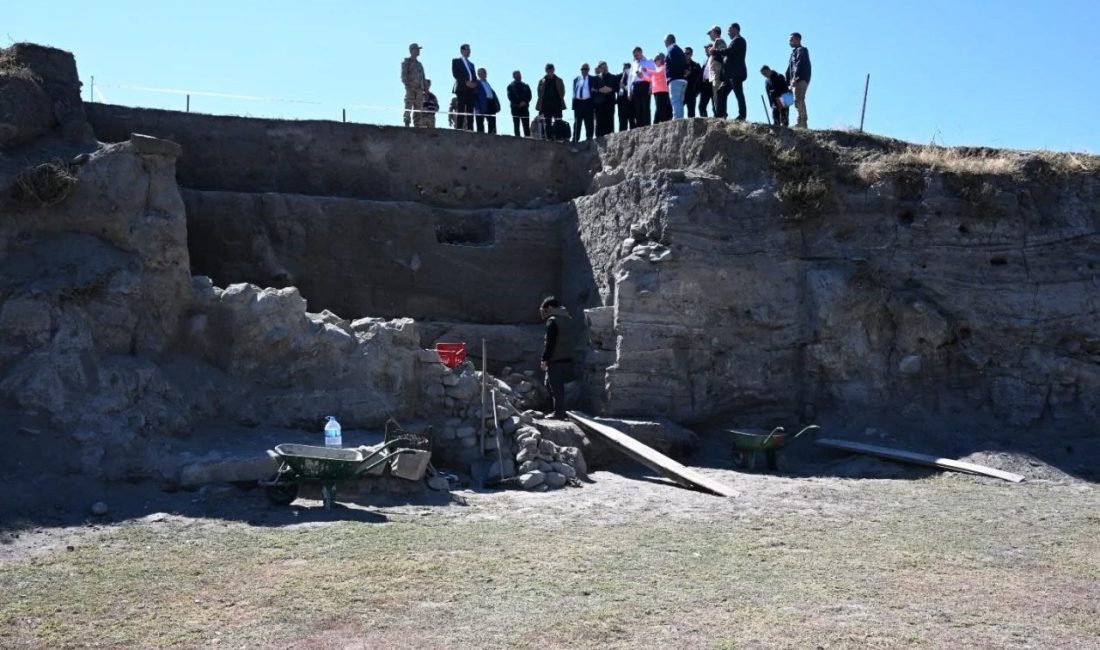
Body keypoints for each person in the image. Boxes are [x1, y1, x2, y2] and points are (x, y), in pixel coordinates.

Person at [539, 296, 578, 419]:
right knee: (565, 387)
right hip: (569, 358)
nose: (543, 312)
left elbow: (550, 343)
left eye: (545, 309)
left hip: (555, 360)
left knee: (556, 388)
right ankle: (566, 410)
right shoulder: (569, 319)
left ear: (550, 308)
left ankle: (559, 412)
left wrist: (544, 359)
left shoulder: (552, 321)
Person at [722, 23, 748, 121]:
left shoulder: (739, 40)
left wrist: (716, 51)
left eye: (729, 30)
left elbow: (729, 51)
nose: (728, 33)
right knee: (722, 93)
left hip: (736, 73)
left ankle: (742, 115)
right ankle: (722, 114)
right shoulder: (735, 40)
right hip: (731, 74)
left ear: (735, 29)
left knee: (739, 94)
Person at [786, 32, 812, 128]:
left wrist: (795, 78)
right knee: (797, 100)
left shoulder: (801, 50)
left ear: (797, 39)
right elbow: (789, 70)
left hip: (800, 79)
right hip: (796, 80)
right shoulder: (793, 53)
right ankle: (801, 122)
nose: (789, 42)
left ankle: (802, 123)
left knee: (799, 99)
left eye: (791, 40)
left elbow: (799, 64)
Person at [451, 44, 478, 130]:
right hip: (462, 88)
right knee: (461, 108)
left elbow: (474, 76)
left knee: (470, 110)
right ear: (462, 51)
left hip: (471, 90)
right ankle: (459, 128)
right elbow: (456, 74)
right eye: (467, 49)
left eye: (469, 49)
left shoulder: (471, 64)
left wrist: (474, 83)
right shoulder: (456, 61)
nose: (469, 51)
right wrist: (466, 82)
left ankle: (471, 129)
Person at [536, 63, 567, 135]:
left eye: (551, 69)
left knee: (558, 122)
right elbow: (539, 93)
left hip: (557, 105)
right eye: (548, 69)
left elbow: (563, 92)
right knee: (547, 123)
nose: (549, 70)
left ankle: (558, 138)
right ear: (546, 70)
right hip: (545, 106)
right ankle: (549, 139)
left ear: (553, 70)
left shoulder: (559, 80)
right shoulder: (542, 81)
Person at [629, 47, 656, 127]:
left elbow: (653, 75)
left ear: (641, 52)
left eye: (636, 54)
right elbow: (630, 78)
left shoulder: (649, 61)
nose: (635, 56)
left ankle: (647, 125)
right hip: (635, 86)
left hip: (645, 84)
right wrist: (629, 91)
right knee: (637, 107)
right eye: (634, 55)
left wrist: (651, 87)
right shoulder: (633, 63)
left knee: (645, 106)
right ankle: (639, 126)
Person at [401, 43, 426, 127]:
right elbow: (403, 76)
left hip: (419, 89)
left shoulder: (420, 65)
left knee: (418, 108)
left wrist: (425, 89)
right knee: (408, 105)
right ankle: (407, 122)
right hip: (411, 88)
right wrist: (408, 86)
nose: (418, 51)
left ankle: (417, 125)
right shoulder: (407, 62)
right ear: (412, 50)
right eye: (417, 49)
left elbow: (423, 77)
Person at [663, 34, 688, 120]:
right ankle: (679, 118)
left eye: (664, 41)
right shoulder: (679, 50)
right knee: (679, 100)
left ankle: (677, 118)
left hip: (675, 79)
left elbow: (675, 65)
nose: (664, 43)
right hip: (682, 79)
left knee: (675, 100)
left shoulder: (671, 50)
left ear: (668, 41)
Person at [592, 61, 617, 137]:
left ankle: (610, 136)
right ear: (599, 68)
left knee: (609, 120)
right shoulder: (596, 78)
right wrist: (600, 90)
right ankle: (599, 137)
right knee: (599, 121)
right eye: (602, 67)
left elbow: (616, 87)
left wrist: (610, 89)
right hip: (599, 103)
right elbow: (593, 89)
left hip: (610, 102)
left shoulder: (612, 77)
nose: (604, 68)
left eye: (605, 67)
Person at [706, 26, 727, 117]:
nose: (709, 35)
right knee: (716, 93)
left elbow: (723, 55)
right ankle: (720, 113)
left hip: (717, 70)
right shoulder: (716, 42)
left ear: (714, 32)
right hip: (715, 71)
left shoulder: (719, 41)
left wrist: (713, 51)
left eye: (710, 33)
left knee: (718, 92)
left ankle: (721, 114)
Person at [571, 63, 595, 142]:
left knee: (589, 122)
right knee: (577, 122)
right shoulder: (576, 79)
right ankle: (575, 139)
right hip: (578, 103)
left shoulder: (592, 79)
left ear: (588, 70)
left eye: (585, 69)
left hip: (588, 102)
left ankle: (589, 138)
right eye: (582, 69)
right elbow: (574, 91)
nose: (584, 71)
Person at [474, 68, 501, 134]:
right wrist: (477, 107)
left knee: (492, 121)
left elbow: (492, 94)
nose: (482, 74)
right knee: (480, 122)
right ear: (478, 74)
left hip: (490, 103)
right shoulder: (477, 83)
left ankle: (492, 136)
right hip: (481, 104)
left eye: (484, 72)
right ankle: (481, 137)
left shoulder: (487, 83)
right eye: (480, 73)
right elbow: (474, 96)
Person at [507, 70, 532, 137]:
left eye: (519, 74)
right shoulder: (510, 86)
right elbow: (510, 97)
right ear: (513, 76)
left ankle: (528, 138)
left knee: (526, 125)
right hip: (515, 108)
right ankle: (517, 138)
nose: (519, 76)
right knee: (516, 125)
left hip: (525, 108)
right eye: (517, 75)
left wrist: (525, 102)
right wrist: (518, 103)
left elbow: (529, 96)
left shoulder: (525, 85)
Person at [651, 53, 671, 123]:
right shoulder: (656, 69)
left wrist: (647, 71)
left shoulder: (664, 67)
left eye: (657, 59)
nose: (655, 61)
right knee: (659, 107)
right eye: (654, 60)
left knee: (662, 107)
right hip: (657, 91)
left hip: (664, 90)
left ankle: (661, 121)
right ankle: (656, 122)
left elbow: (658, 73)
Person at [683, 46, 703, 118]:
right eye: (684, 53)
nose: (685, 55)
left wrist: (698, 91)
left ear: (691, 54)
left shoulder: (696, 65)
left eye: (687, 53)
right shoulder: (680, 65)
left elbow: (700, 79)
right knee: (678, 112)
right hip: (681, 92)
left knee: (691, 114)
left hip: (692, 92)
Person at [616, 62, 634, 131]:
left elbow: (632, 88)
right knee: (622, 119)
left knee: (631, 117)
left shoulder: (632, 76)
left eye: (626, 67)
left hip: (630, 100)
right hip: (621, 101)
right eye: (624, 67)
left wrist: (624, 87)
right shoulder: (619, 76)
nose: (624, 69)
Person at [698, 44, 714, 118]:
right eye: (705, 50)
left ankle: (718, 121)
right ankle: (705, 121)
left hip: (713, 83)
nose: (706, 51)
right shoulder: (705, 61)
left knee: (715, 105)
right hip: (705, 85)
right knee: (701, 106)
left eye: (707, 49)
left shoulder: (715, 58)